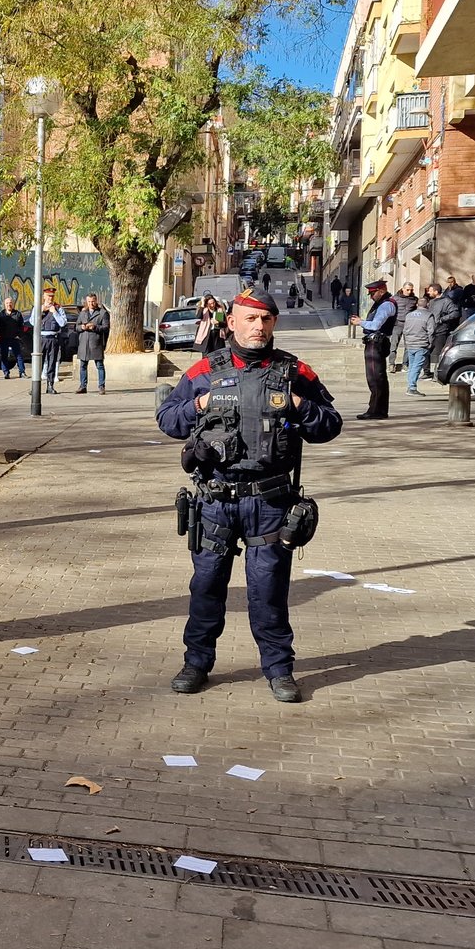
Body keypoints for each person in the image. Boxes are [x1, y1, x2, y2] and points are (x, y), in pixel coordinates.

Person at [158, 287, 342, 702]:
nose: (259, 327)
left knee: (269, 589)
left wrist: (299, 405)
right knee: (206, 587)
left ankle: (279, 670)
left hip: (271, 503)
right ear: (232, 323)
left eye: (266, 319)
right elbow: (167, 420)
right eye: (251, 319)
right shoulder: (203, 370)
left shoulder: (297, 373)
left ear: (274, 323)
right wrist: (200, 404)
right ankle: (196, 664)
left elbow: (330, 425)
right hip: (215, 502)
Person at [350, 279, 396, 419]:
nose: (371, 297)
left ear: (381, 291)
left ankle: (376, 411)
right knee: (378, 377)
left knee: (375, 378)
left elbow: (376, 325)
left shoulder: (386, 304)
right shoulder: (383, 303)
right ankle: (379, 410)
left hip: (376, 343)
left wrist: (360, 322)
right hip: (377, 342)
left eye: (372, 293)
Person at [400, 289, 435, 396]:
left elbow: (405, 330)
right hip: (421, 344)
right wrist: (430, 344)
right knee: (416, 366)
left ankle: (410, 386)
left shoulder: (409, 315)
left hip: (410, 344)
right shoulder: (428, 316)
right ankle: (412, 387)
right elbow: (431, 331)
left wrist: (406, 343)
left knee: (412, 366)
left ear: (417, 305)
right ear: (427, 304)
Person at [73, 293, 110, 393]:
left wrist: (95, 327)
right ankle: (83, 386)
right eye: (89, 301)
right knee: (83, 366)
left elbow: (106, 328)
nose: (91, 303)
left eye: (93, 301)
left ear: (96, 301)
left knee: (99, 365)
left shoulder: (102, 313)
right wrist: (82, 327)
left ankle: (101, 386)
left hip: (96, 342)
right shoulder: (83, 313)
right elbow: (76, 327)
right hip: (84, 343)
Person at [36, 296, 67, 392]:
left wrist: (55, 312)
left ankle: (50, 385)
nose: (50, 298)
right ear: (44, 297)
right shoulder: (38, 307)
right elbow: (33, 322)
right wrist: (40, 311)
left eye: (52, 296)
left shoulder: (58, 308)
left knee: (52, 362)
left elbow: (63, 323)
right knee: (38, 363)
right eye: (48, 296)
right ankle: (35, 387)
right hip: (41, 338)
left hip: (53, 338)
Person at [0, 296, 28, 379]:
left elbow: (21, 326)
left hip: (14, 338)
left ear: (13, 304)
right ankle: (6, 372)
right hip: (4, 338)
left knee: (19, 355)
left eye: (10, 303)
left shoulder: (17, 314)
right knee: (4, 356)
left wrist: (19, 335)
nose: (9, 305)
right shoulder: (1, 315)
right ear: (4, 305)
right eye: (7, 303)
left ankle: (22, 372)